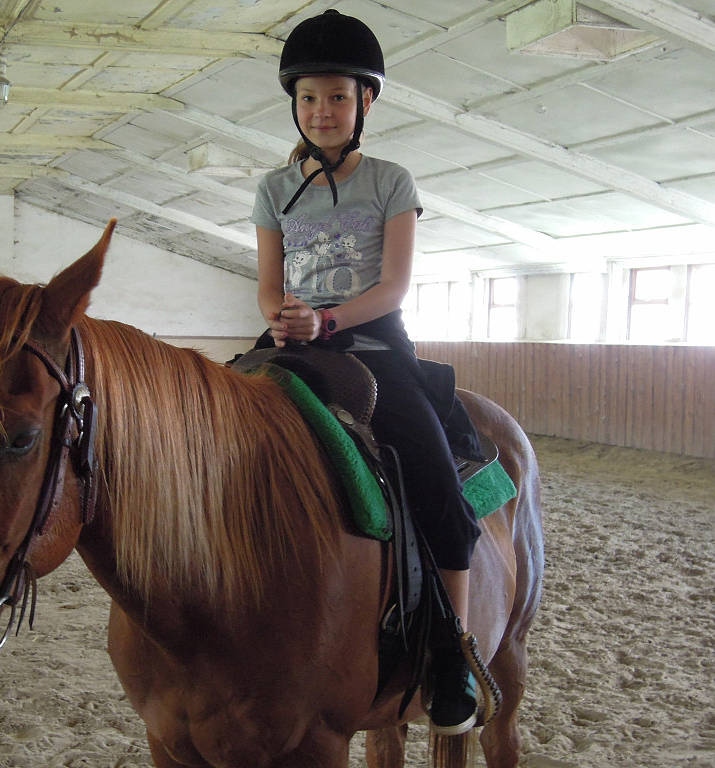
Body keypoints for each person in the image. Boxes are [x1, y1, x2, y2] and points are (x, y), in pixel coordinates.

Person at [250, 9, 483, 736]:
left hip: (375, 347)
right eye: (309, 98)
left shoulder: (390, 181)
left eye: (337, 98)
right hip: (290, 341)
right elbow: (267, 283)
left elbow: (395, 286)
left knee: (436, 480)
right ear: (295, 103)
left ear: (365, 103)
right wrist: (285, 316)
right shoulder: (273, 188)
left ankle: (452, 652)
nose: (322, 110)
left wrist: (327, 322)